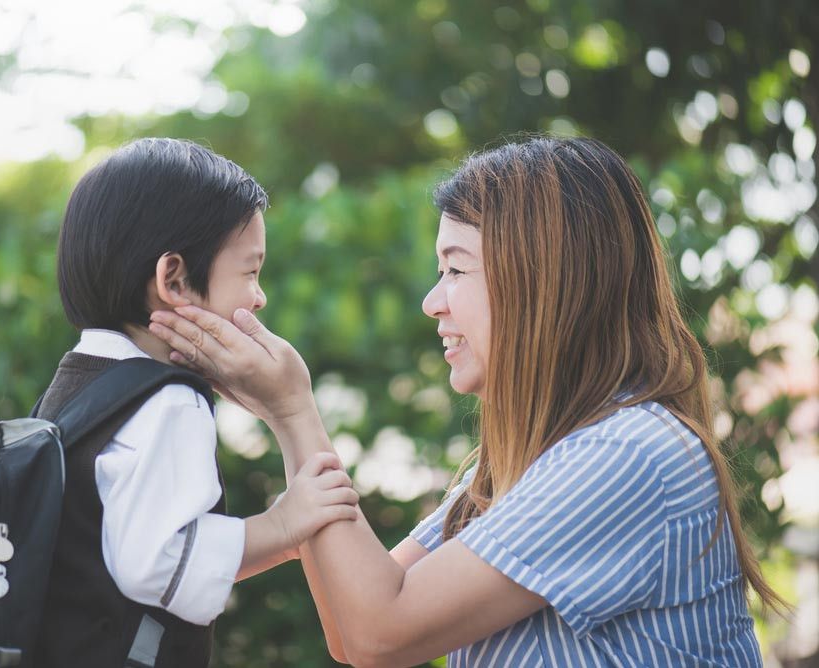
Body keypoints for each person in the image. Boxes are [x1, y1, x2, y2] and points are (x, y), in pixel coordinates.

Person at [148, 136, 785, 666]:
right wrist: (284, 418)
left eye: (455, 270)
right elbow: (351, 626)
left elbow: (380, 633)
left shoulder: (629, 454)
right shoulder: (528, 462)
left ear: (543, 282)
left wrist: (293, 412)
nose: (434, 301)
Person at [33, 137, 359, 668]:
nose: (259, 297)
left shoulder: (78, 382)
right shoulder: (168, 402)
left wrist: (276, 538)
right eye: (250, 272)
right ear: (175, 279)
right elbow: (155, 563)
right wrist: (279, 526)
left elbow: (143, 549)